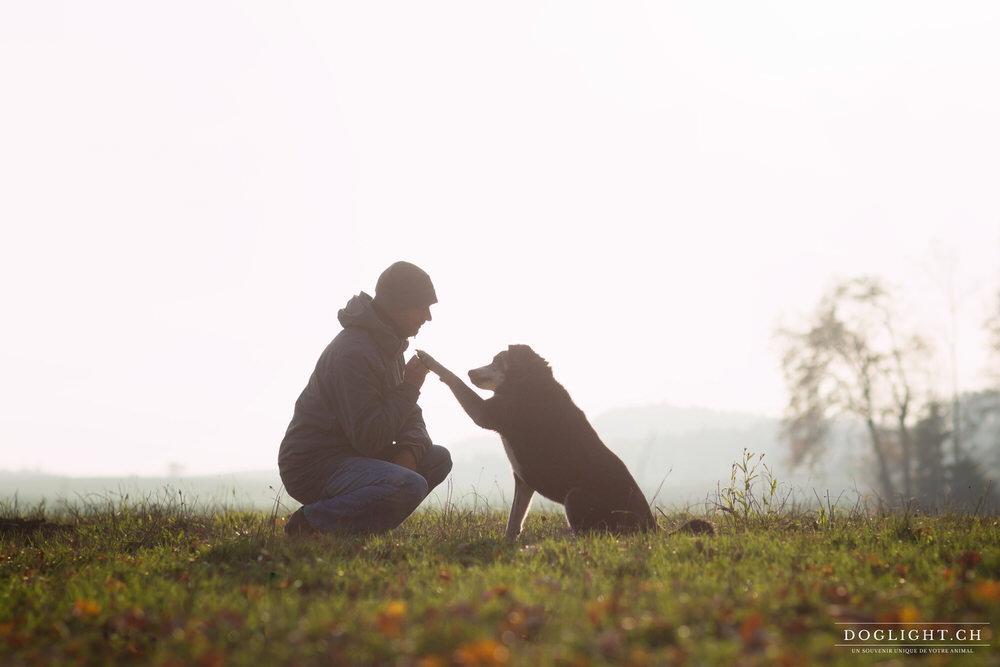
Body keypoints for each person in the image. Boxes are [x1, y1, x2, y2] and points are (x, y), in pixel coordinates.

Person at [278, 261, 452, 535]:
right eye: (423, 306)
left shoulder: (388, 346)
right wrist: (409, 388)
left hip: (352, 456)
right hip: (313, 465)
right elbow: (369, 438)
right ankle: (311, 524)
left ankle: (360, 529)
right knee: (412, 484)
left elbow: (410, 416)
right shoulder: (354, 353)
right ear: (401, 304)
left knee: (437, 459)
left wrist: (408, 451)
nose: (428, 317)